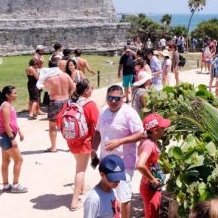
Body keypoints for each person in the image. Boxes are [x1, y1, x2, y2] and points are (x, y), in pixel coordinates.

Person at [91, 85, 145, 218]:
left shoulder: (129, 113)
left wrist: (119, 142)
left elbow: (141, 134)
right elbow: (98, 132)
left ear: (122, 98)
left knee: (124, 197)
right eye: (110, 98)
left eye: (117, 98)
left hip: (123, 165)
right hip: (106, 162)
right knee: (110, 193)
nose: (113, 101)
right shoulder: (104, 111)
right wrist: (93, 149)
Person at [62, 80, 100, 211]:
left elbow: (59, 120)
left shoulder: (69, 103)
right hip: (85, 142)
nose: (92, 90)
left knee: (79, 166)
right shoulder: (90, 105)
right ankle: (74, 202)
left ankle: (83, 189)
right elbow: (96, 125)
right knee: (80, 170)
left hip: (72, 141)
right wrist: (95, 145)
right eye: (91, 88)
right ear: (85, 91)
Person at [137, 113, 171, 218]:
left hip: (148, 186)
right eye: (162, 128)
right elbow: (140, 165)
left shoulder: (148, 140)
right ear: (155, 131)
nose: (164, 129)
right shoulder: (149, 144)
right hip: (150, 187)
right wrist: (152, 179)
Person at [37, 60, 76, 152]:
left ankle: (53, 147)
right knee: (68, 125)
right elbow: (73, 87)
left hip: (55, 102)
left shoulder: (49, 79)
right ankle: (71, 146)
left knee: (52, 126)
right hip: (66, 101)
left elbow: (43, 87)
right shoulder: (65, 75)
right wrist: (69, 95)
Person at [0, 85, 27, 193]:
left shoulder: (7, 104)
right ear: (8, 95)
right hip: (6, 137)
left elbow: (12, 122)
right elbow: (7, 125)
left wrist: (20, 131)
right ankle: (16, 185)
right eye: (14, 93)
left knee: (6, 161)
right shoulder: (6, 106)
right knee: (19, 160)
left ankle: (5, 185)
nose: (16, 95)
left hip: (3, 137)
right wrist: (13, 139)